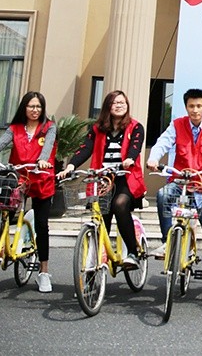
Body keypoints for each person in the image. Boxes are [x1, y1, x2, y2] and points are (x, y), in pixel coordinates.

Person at [146, 88, 202, 306]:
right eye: (191, 106)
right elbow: (163, 143)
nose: (195, 110)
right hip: (181, 183)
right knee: (163, 195)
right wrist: (153, 158)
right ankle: (168, 242)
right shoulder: (177, 125)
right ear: (186, 107)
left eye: (199, 106)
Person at [0, 91, 57, 292]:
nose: (35, 110)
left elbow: (48, 146)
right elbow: (2, 142)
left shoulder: (49, 127)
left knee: (42, 225)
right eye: (31, 106)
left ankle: (44, 272)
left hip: (41, 177)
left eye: (38, 107)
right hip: (18, 177)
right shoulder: (15, 128)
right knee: (4, 213)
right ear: (24, 108)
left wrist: (42, 160)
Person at [59, 90, 145, 269]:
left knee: (120, 205)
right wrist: (71, 166)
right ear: (107, 106)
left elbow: (135, 147)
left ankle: (133, 253)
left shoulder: (136, 127)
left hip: (125, 178)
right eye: (115, 103)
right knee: (102, 215)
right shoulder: (97, 129)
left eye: (122, 102)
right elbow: (86, 148)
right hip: (102, 179)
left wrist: (129, 159)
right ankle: (94, 266)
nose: (119, 105)